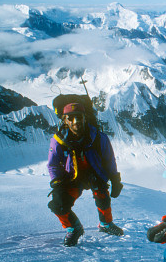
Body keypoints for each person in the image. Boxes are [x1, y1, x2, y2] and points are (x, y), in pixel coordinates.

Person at [47, 98, 124, 247]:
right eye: (71, 118)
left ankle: (106, 224)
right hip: (72, 178)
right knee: (58, 204)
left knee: (103, 197)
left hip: (94, 173)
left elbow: (109, 160)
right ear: (65, 120)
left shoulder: (99, 138)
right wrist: (57, 183)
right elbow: (53, 164)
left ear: (85, 118)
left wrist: (115, 179)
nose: (76, 121)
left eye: (79, 117)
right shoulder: (58, 141)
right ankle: (74, 228)